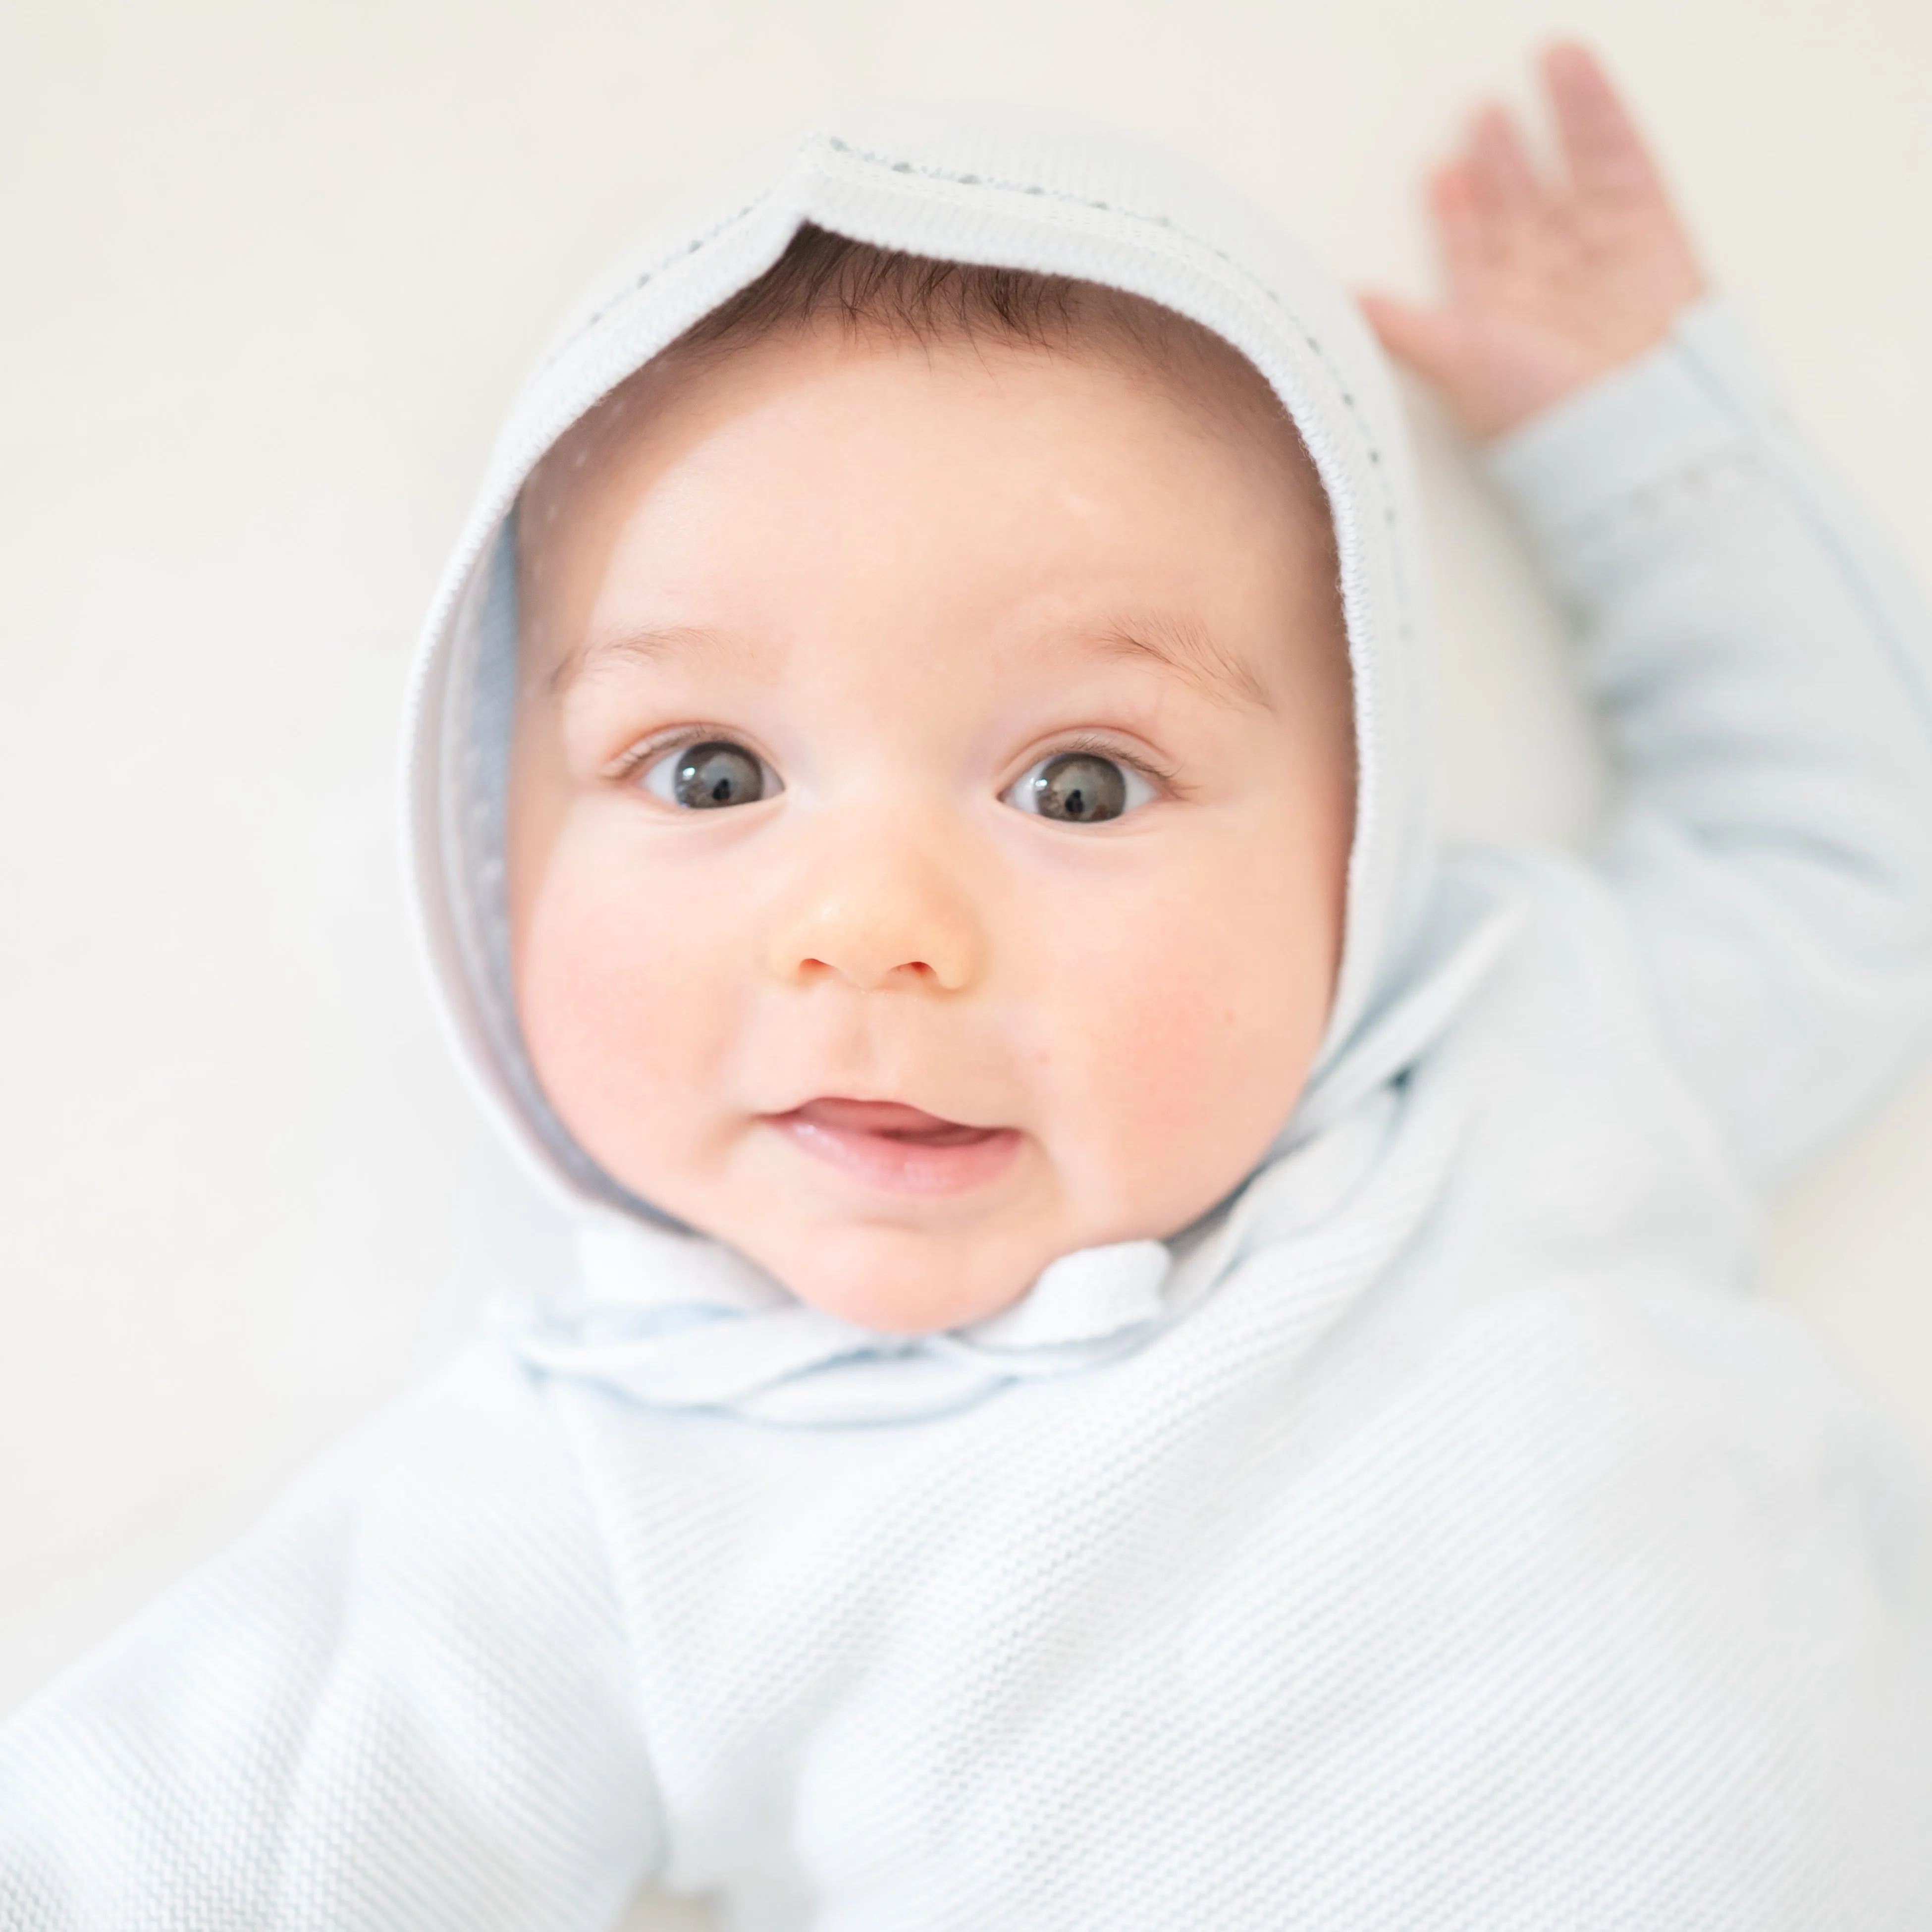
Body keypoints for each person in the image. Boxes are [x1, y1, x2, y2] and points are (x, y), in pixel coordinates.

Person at [4, 42, 1931, 1931]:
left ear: (1363, 840)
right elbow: (155, 1849)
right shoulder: (604, 1498)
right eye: (709, 771)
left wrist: (1643, 450)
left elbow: (1853, 859)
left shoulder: (1522, 1041)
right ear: (491, 830)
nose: (875, 931)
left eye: (1079, 784)